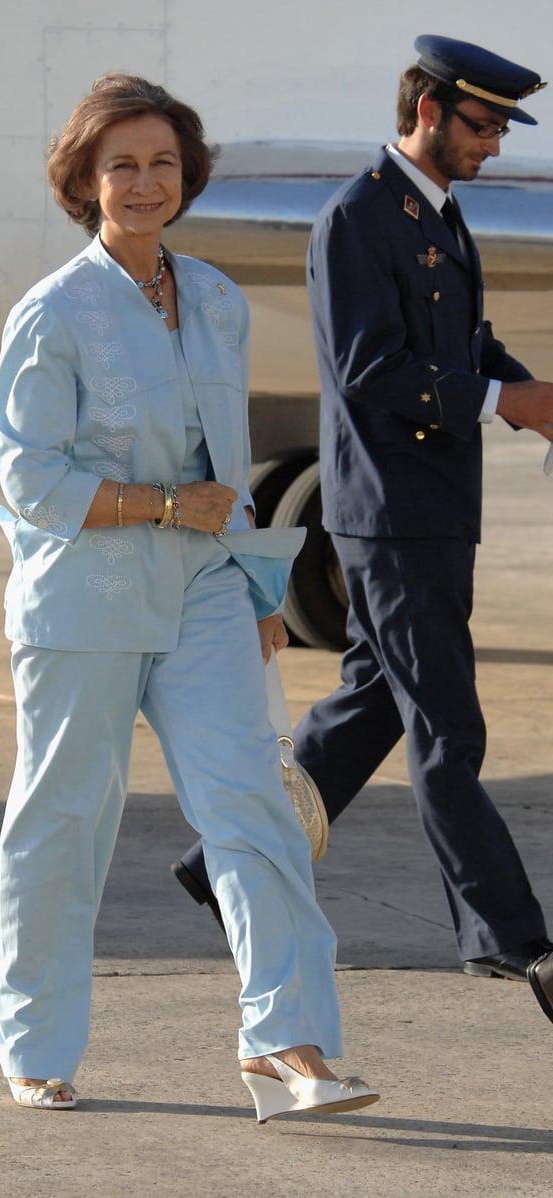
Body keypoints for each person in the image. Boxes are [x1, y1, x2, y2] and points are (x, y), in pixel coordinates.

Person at [0, 72, 380, 1119]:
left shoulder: (214, 298)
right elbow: (32, 482)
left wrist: (256, 589)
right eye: (123, 165)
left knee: (253, 805)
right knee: (65, 820)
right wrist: (164, 503)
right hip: (86, 598)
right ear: (85, 179)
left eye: (163, 163)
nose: (145, 182)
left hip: (206, 588)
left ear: (187, 175)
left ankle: (287, 1044)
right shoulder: (50, 315)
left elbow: (232, 460)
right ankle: (36, 1047)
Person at [172, 36, 553, 1028]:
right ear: (428, 110)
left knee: (379, 704)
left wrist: (528, 392)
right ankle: (511, 935)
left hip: (434, 507)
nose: (495, 148)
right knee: (447, 727)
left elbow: (462, 341)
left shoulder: (437, 216)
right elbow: (370, 370)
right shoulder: (354, 220)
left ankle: (228, 864)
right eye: (482, 126)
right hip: (387, 513)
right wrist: (504, 399)